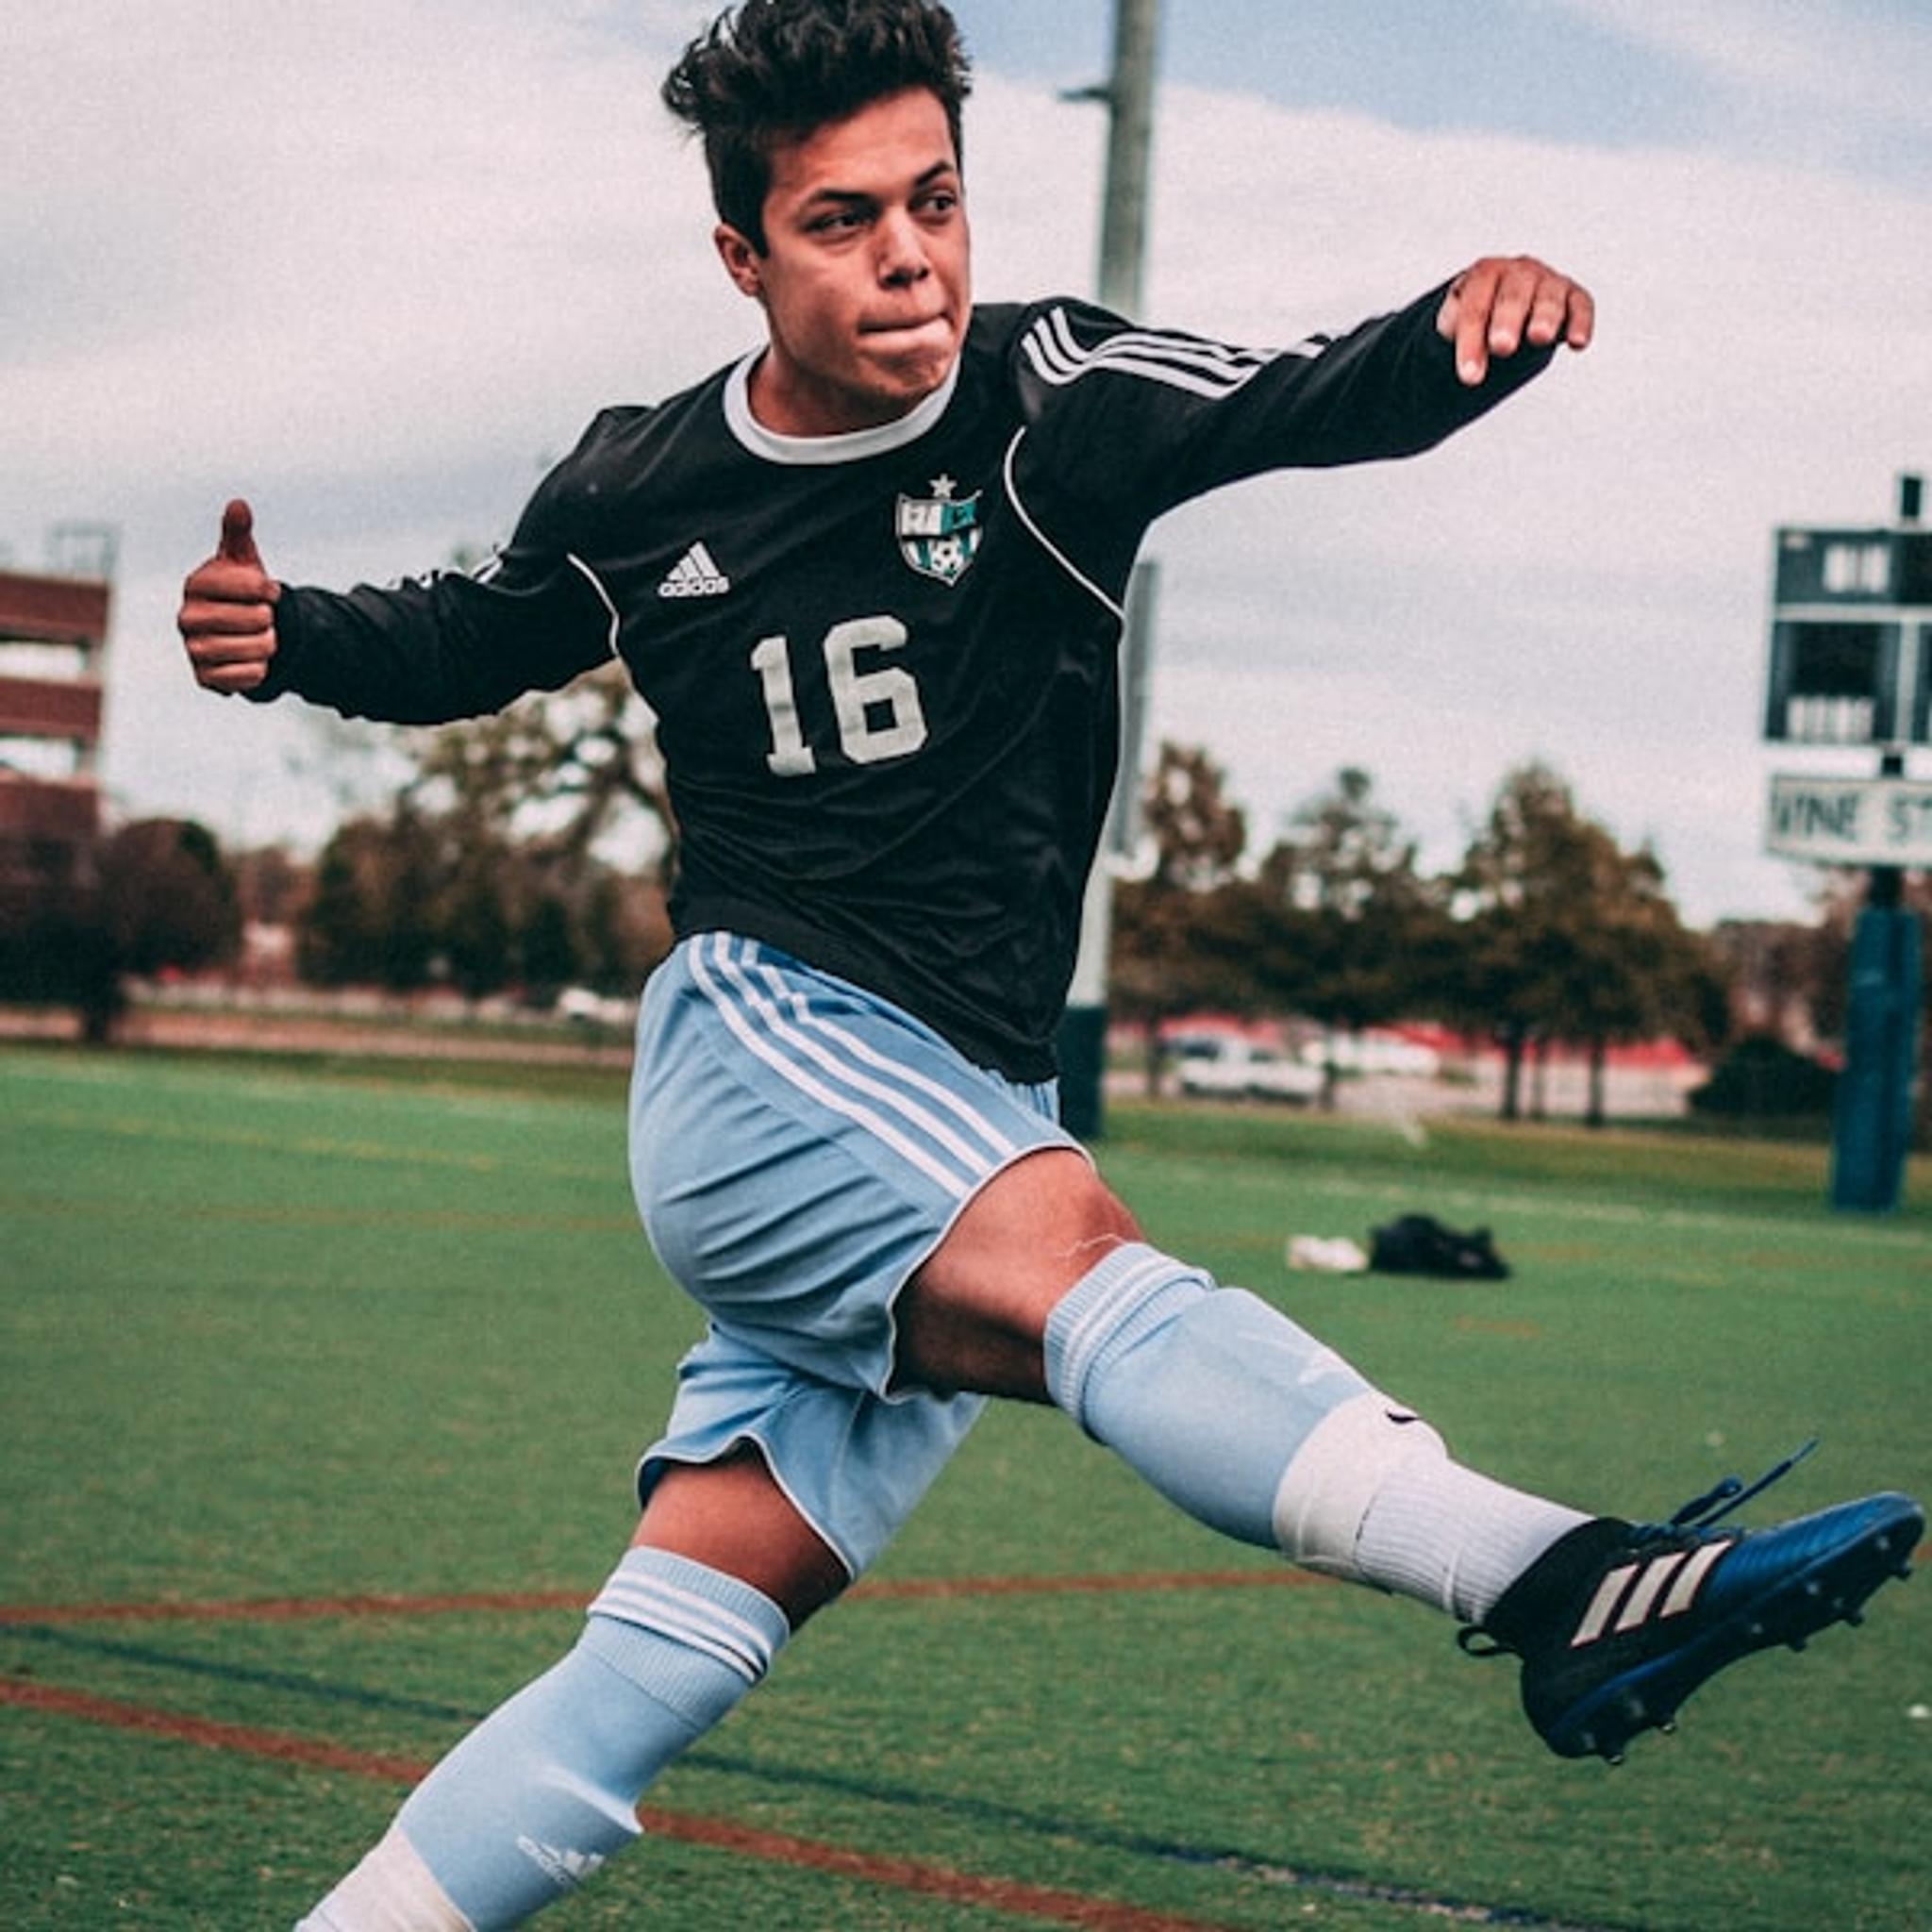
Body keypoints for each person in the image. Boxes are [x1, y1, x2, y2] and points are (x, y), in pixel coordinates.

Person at [177, 4, 1923, 1926]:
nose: (908, 252)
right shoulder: (639, 482)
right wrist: (290, 630)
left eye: (934, 200)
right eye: (841, 221)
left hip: (944, 1111)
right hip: (769, 1056)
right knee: (1086, 1258)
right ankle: (1560, 1581)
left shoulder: (1049, 400)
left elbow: (1302, 393)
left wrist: (1460, 329)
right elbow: (474, 634)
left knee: (651, 1666)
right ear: (741, 259)